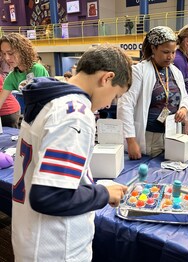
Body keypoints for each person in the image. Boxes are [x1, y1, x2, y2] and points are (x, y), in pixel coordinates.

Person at [11, 45, 132, 261]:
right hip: (55, 247)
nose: (107, 105)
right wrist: (103, 193)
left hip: (33, 236)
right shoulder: (75, 114)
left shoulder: (52, 99)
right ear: (107, 78)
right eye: (114, 96)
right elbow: (49, 196)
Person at [117, 26, 188, 159]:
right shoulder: (139, 71)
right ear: (153, 48)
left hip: (172, 133)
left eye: (173, 52)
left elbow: (184, 96)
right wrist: (131, 140)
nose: (170, 57)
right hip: (150, 137)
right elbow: (125, 105)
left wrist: (184, 108)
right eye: (165, 52)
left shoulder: (175, 71)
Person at [0, 33, 49, 111]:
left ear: (22, 51)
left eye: (10, 53)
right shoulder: (12, 77)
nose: (7, 58)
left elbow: (44, 98)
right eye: (4, 54)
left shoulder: (37, 69)